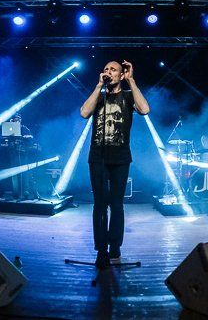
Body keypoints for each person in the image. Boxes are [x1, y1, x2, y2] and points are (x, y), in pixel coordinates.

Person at [80, 60, 150, 269]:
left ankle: (115, 247)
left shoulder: (127, 96)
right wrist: (98, 86)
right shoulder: (99, 96)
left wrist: (132, 81)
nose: (109, 72)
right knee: (100, 204)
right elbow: (84, 113)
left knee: (116, 204)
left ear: (121, 75)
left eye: (113, 70)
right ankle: (101, 250)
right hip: (98, 157)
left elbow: (145, 109)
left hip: (120, 158)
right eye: (106, 69)